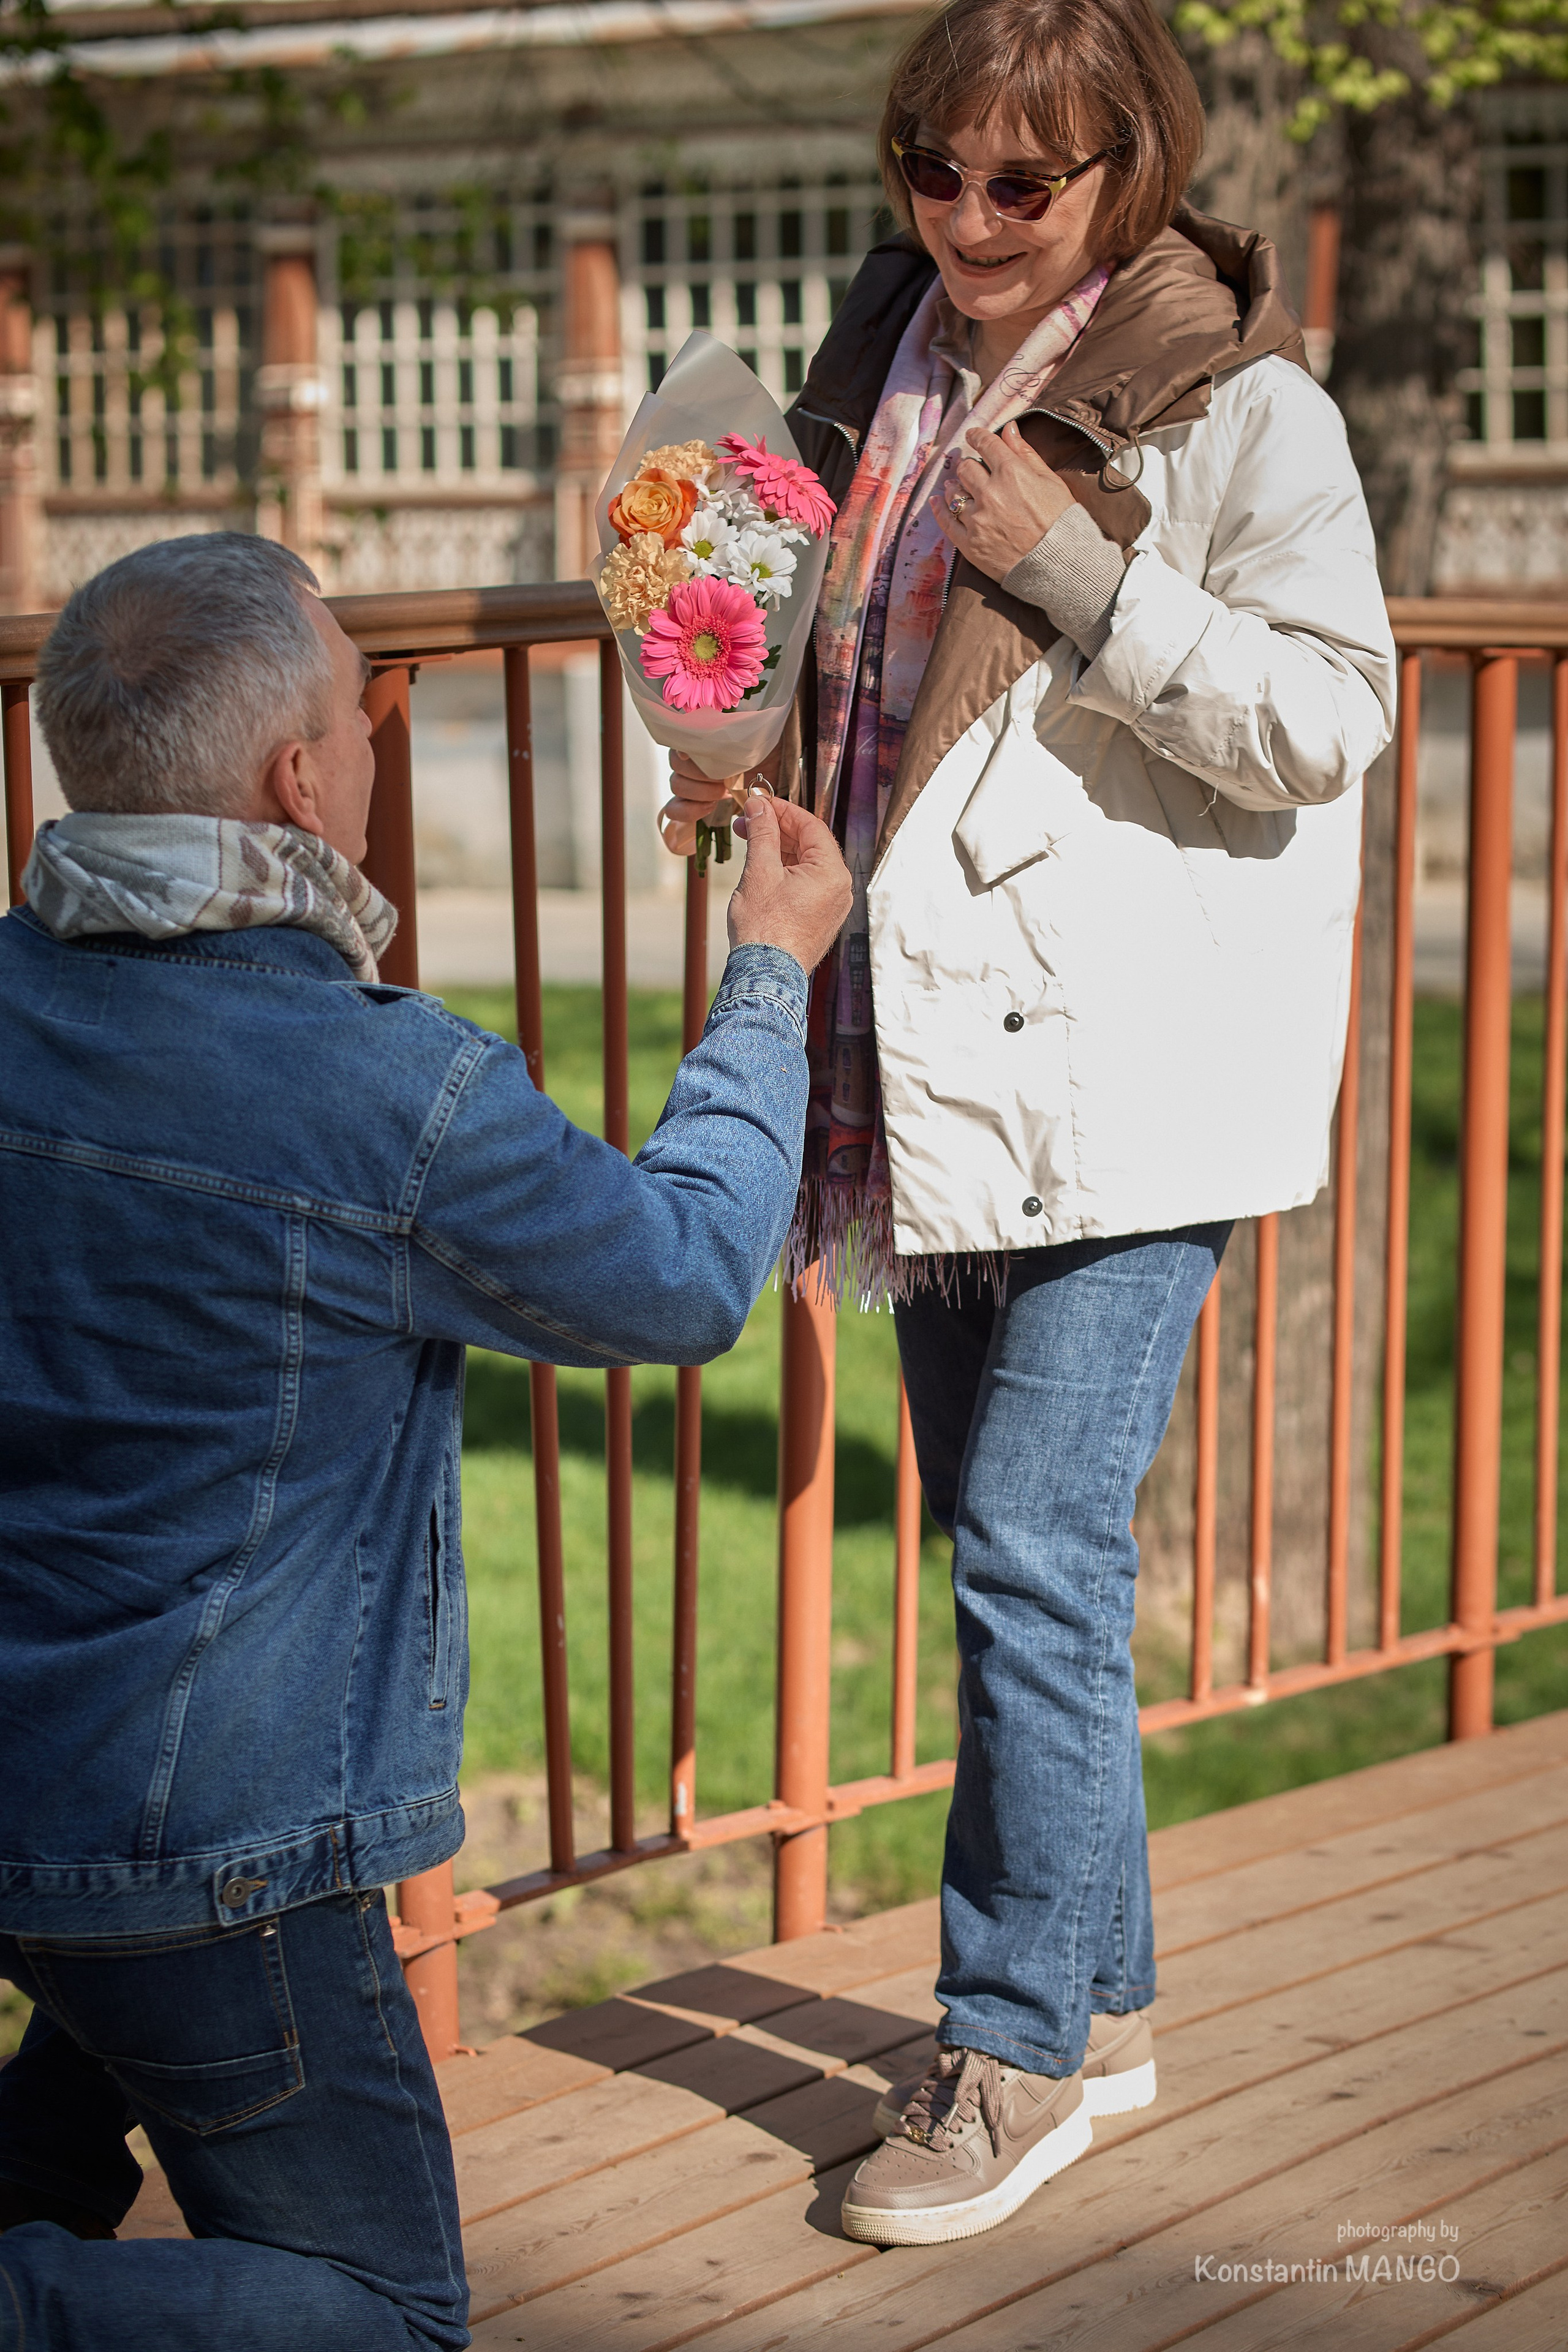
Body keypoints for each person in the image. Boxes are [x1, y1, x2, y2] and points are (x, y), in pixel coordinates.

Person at [664, 0, 1396, 2250]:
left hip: (1126, 1073)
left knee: (1034, 1556)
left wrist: (1086, 578)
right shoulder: (854, 384)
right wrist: (729, 744)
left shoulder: (1242, 405)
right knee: (1027, 1549)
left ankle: (1008, 2053)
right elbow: (832, 676)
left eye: (1024, 183)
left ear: (1126, 179)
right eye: (934, 173)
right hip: (924, 1066)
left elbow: (1331, 712)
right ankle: (1113, 1999)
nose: (967, 222)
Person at [0, 531, 852, 2349]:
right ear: (301, 783)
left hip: (37, 1786)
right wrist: (769, 974)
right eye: (366, 712)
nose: (383, 744)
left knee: (81, 2088)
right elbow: (690, 1278)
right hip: (215, 1849)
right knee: (383, 2314)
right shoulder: (385, 1095)